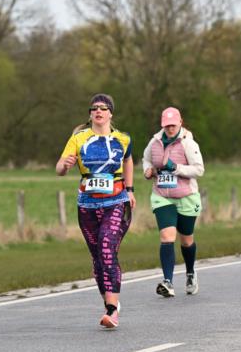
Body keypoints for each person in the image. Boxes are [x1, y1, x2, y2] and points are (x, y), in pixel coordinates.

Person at [56, 94, 136, 328]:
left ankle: (112, 311)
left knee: (106, 246)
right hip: (87, 206)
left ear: (111, 113)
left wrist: (130, 189)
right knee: (97, 258)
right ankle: (109, 302)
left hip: (116, 202)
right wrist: (65, 166)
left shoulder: (122, 139)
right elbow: (59, 168)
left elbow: (129, 160)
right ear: (90, 114)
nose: (99, 111)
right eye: (94, 108)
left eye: (104, 108)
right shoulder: (78, 138)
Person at [143, 107, 205, 296]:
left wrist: (176, 168)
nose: (170, 128)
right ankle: (168, 282)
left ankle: (190, 272)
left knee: (186, 240)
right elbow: (145, 160)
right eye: (167, 125)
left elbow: (199, 170)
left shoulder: (188, 143)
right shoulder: (154, 142)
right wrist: (148, 170)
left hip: (186, 196)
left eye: (173, 125)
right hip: (162, 196)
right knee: (167, 236)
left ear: (180, 123)